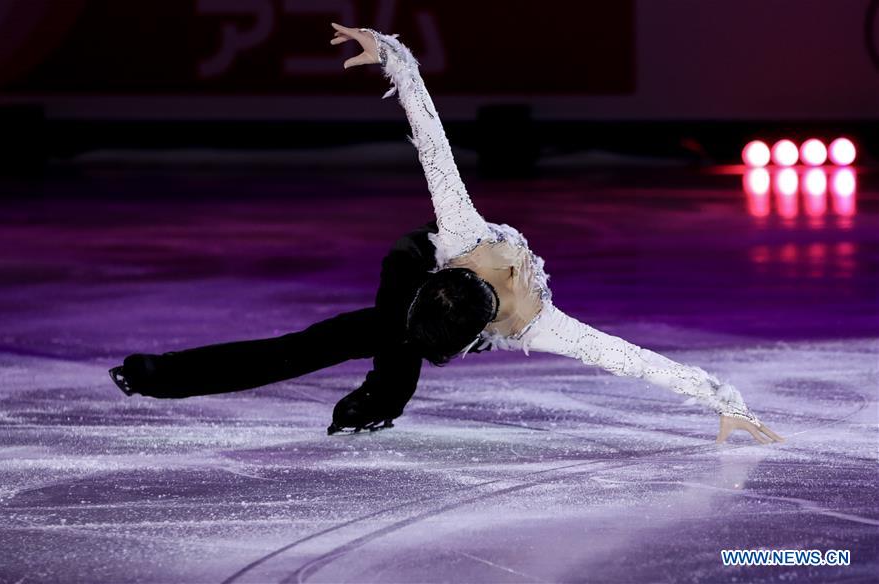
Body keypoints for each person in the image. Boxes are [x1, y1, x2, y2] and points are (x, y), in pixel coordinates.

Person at [109, 23, 783, 444]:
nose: (504, 259)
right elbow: (428, 133)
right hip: (415, 262)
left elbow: (635, 360)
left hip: (437, 306)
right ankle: (174, 379)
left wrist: (723, 405)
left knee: (343, 344)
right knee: (328, 344)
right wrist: (390, 55)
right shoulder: (457, 237)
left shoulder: (531, 318)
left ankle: (374, 394)